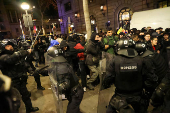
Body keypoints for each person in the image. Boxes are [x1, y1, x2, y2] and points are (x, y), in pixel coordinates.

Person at [102, 38, 158, 113]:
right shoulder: (142, 60)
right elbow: (151, 79)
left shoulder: (115, 60)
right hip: (138, 96)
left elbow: (108, 79)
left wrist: (106, 84)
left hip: (120, 96)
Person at [0, 40, 39, 113]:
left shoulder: (13, 54)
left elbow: (23, 63)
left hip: (21, 79)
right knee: (14, 100)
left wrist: (30, 70)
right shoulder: (3, 57)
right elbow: (11, 59)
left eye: (10, 45)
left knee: (26, 95)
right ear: (3, 48)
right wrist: (26, 52)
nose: (11, 47)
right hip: (13, 82)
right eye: (8, 46)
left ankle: (29, 108)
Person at [47, 44, 84, 113]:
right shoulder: (60, 63)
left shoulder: (62, 67)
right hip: (73, 93)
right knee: (75, 109)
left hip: (75, 93)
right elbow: (52, 70)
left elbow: (66, 84)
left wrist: (60, 86)